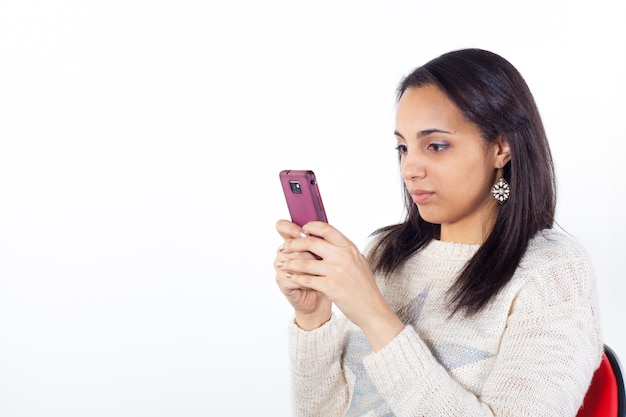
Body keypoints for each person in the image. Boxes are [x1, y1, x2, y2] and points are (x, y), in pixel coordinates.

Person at [273, 48, 603, 417]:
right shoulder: (385, 252)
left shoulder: (552, 273)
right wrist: (314, 317)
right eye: (403, 147)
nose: (409, 168)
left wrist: (375, 315)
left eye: (436, 145)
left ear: (501, 148)